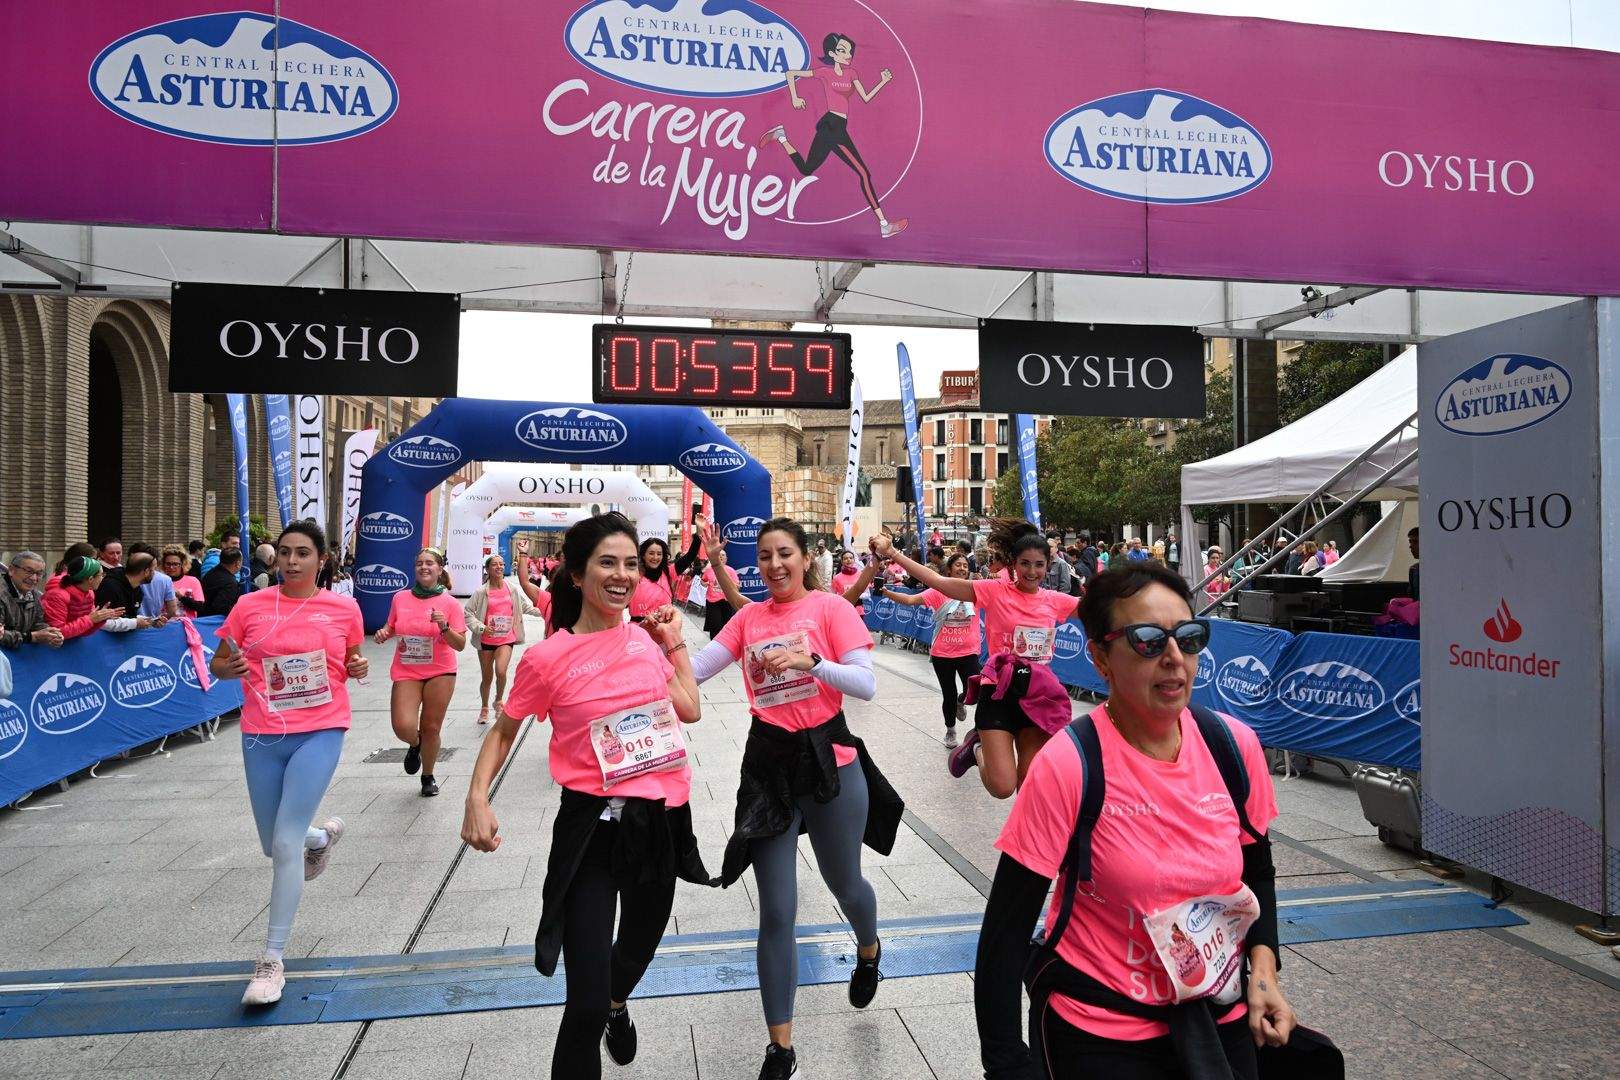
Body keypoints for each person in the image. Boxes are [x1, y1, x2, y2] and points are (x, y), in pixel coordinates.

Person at [973, 561, 1295, 1079]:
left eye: (1188, 638)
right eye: (1147, 641)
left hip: (1219, 1013)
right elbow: (1006, 931)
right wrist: (1007, 1064)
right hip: (1100, 1026)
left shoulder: (1234, 747)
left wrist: (1263, 974)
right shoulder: (1069, 763)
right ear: (1100, 657)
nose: (1174, 658)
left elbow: (1257, 874)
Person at [461, 513, 710, 1080]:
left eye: (630, 564)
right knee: (585, 1003)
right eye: (607, 563)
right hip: (590, 830)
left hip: (658, 822)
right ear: (576, 574)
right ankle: (604, 1007)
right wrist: (477, 797)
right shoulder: (547, 658)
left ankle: (619, 1002)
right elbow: (504, 730)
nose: (622, 575)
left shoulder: (643, 641)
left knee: (637, 951)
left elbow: (690, 708)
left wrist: (673, 643)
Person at [691, 517, 900, 1080]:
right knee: (778, 909)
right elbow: (698, 670)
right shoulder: (749, 618)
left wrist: (814, 663)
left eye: (785, 553)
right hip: (769, 770)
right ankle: (780, 1048)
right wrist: (656, 654)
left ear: (806, 559)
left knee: (845, 884)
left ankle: (869, 950)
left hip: (831, 764)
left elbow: (866, 684)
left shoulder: (830, 609)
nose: (775, 564)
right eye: (765, 556)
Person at [210, 521, 365, 1007]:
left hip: (321, 728)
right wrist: (229, 668)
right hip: (261, 732)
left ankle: (271, 960)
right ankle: (321, 839)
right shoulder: (249, 605)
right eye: (285, 552)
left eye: (302, 553)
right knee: (272, 844)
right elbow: (218, 663)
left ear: (321, 560)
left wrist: (358, 666)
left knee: (283, 842)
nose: (292, 561)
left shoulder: (343, 607)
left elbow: (353, 660)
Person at [874, 519, 1081, 799]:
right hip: (998, 693)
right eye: (1025, 564)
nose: (1032, 572)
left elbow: (1103, 608)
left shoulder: (1056, 600)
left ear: (1048, 565)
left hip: (1037, 696)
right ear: (1014, 563)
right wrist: (892, 553)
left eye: (1039, 565)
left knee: (1029, 787)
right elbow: (938, 582)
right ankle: (976, 748)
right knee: (1002, 787)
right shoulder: (993, 591)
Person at [758, 32, 909, 239]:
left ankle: (781, 136)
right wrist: (795, 97)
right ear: (832, 54)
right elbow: (791, 74)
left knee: (806, 169)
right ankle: (884, 225)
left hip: (837, 128)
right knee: (864, 173)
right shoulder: (824, 73)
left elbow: (866, 97)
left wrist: (882, 81)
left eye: (849, 51)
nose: (848, 55)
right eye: (842, 51)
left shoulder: (852, 74)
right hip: (831, 126)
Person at [374, 548, 466, 797]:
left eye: (429, 563)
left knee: (431, 727)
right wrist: (384, 633)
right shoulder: (400, 598)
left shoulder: (450, 603)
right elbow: (391, 626)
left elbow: (460, 644)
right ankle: (415, 743)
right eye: (419, 563)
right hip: (407, 669)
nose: (424, 567)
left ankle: (428, 775)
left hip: (440, 670)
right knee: (402, 726)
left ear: (439, 569)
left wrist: (444, 626)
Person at [881, 551, 980, 748]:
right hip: (943, 653)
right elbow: (910, 600)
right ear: (949, 569)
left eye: (965, 565)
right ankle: (950, 730)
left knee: (975, 691)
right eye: (958, 565)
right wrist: (887, 593)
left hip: (969, 651)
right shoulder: (938, 591)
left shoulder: (976, 590)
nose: (962, 568)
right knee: (948, 694)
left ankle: (961, 701)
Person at [464, 553, 547, 724]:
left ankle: (498, 700)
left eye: (501, 564)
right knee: (487, 677)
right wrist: (481, 627)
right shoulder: (481, 592)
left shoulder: (512, 589)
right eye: (495, 564)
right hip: (486, 640)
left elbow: (524, 607)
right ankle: (484, 707)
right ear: (487, 569)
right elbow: (468, 612)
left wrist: (546, 611)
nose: (499, 567)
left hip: (506, 638)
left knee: (501, 671)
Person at [45, 556, 140, 638]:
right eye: (101, 575)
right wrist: (91, 619)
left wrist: (101, 618)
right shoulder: (57, 596)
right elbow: (57, 633)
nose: (103, 578)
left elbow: (84, 631)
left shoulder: (89, 593)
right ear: (90, 579)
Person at [2, 550, 62, 650]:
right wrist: (31, 637)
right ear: (11, 570)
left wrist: (51, 634)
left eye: (39, 573)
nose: (34, 578)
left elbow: (38, 623)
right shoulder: (2, 593)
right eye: (29, 571)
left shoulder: (35, 595)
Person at [96, 551, 164, 627]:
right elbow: (102, 622)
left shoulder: (137, 589)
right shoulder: (109, 587)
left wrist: (151, 621)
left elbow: (129, 616)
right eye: (154, 569)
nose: (155, 573)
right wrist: (135, 623)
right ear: (146, 571)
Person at [128, 542, 178, 620]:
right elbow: (172, 610)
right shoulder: (165, 579)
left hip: (128, 624)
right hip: (152, 624)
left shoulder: (124, 577)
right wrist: (158, 620)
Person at [699, 557, 742, 638]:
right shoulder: (709, 570)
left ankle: (725, 642)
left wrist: (728, 584)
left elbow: (737, 586)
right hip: (712, 601)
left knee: (726, 625)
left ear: (726, 559)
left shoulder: (731, 570)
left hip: (727, 601)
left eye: (723, 555)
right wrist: (704, 583)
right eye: (719, 555)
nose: (721, 557)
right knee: (715, 625)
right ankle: (714, 642)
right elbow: (703, 580)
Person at [162, 544, 206, 616]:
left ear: (183, 564)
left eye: (175, 564)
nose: (171, 567)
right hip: (164, 622)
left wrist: (181, 597)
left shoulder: (193, 581)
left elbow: (200, 607)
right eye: (168, 564)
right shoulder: (160, 581)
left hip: (186, 622)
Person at [203, 549, 246, 617]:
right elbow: (220, 607)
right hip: (214, 620)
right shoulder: (230, 583)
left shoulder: (210, 573)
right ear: (237, 563)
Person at [1201, 546, 1232, 612]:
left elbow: (1224, 589)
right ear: (1208, 559)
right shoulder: (1205, 569)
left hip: (1218, 600)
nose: (1215, 560)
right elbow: (1205, 588)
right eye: (1213, 558)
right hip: (1209, 601)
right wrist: (1216, 582)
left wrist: (1227, 583)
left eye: (1217, 558)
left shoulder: (1218, 570)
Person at [1406, 527, 1419, 600]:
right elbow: (1412, 598)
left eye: (1415, 542)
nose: (1410, 546)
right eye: (1410, 542)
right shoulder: (1414, 569)